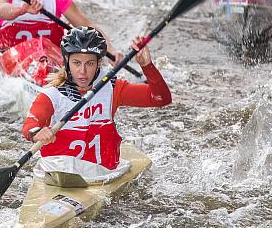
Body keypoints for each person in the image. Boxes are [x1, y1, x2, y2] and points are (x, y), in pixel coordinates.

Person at [21, 27, 171, 184]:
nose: (83, 72)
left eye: (90, 63)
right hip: (58, 176)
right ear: (66, 61)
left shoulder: (113, 89)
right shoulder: (52, 95)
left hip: (102, 174)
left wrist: (147, 65)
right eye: (76, 63)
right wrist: (37, 132)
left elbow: (161, 98)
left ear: (99, 62)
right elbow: (30, 124)